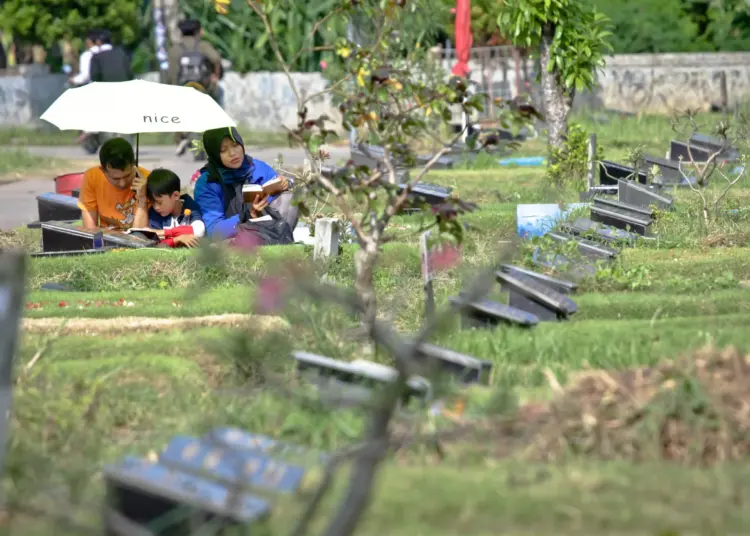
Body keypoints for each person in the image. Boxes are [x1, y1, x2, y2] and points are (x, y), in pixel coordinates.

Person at [194, 127, 298, 240]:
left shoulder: (256, 167)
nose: (232, 153)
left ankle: (282, 242)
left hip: (265, 229)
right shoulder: (207, 183)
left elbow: (276, 194)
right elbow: (214, 230)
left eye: (235, 145)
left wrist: (285, 184)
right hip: (232, 238)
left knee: (288, 198)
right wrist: (248, 214)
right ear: (214, 154)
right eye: (223, 150)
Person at [169, 18, 224, 156]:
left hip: (182, 88)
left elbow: (171, 73)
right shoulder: (203, 45)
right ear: (197, 31)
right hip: (202, 87)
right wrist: (215, 77)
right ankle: (203, 144)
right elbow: (216, 59)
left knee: (182, 117)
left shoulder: (175, 49)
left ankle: (182, 139)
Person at [78, 137, 151, 230]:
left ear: (134, 165)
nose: (122, 183)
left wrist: (142, 200)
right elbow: (90, 229)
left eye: (127, 176)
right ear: (102, 171)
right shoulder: (92, 177)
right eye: (115, 179)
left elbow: (142, 235)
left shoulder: (148, 180)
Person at [146, 168, 205, 248]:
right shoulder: (154, 214)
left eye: (160, 203)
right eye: (153, 203)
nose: (156, 207)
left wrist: (165, 232)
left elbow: (199, 231)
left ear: (176, 195)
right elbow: (153, 242)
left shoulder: (190, 206)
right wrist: (177, 239)